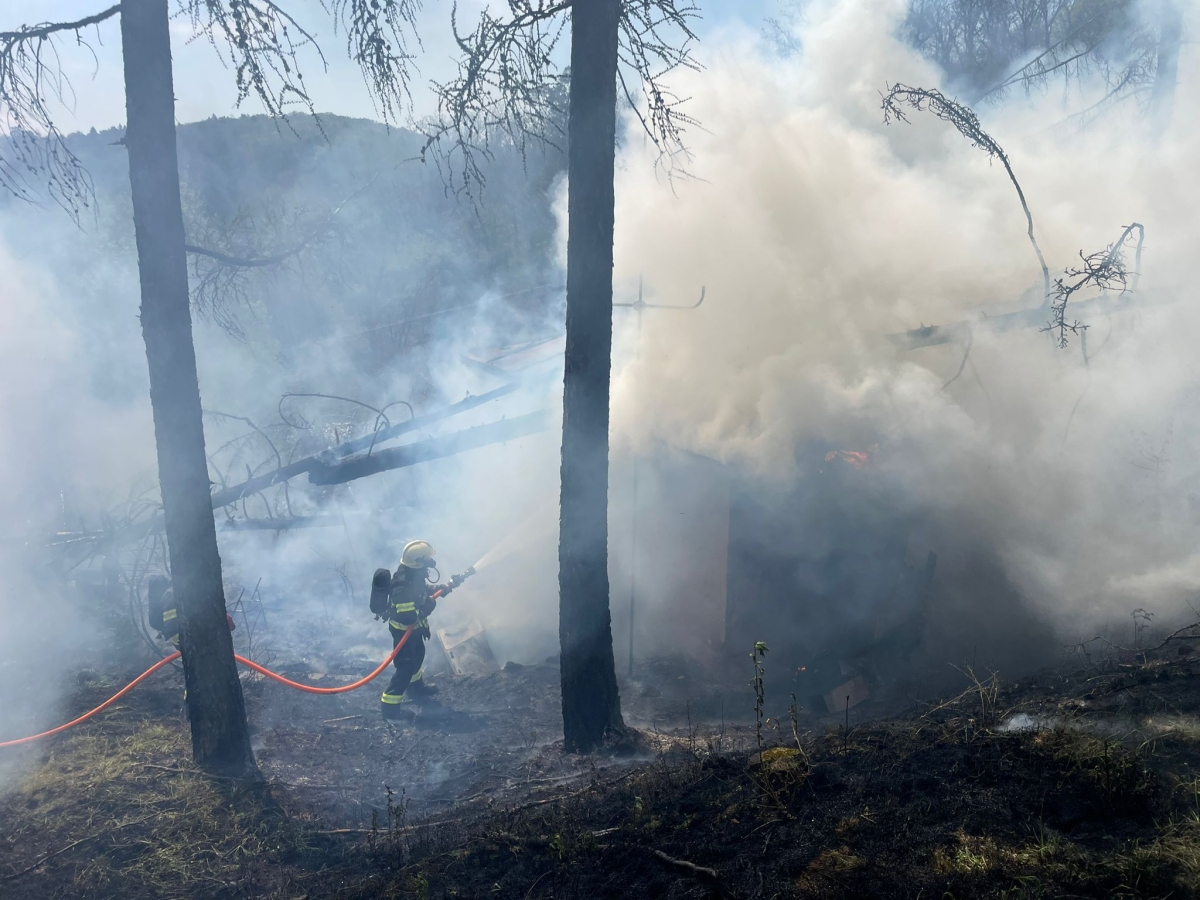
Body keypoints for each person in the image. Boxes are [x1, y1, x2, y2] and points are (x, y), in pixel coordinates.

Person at [371, 540, 458, 719]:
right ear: (419, 561)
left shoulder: (413, 573)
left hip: (414, 630)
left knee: (418, 656)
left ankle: (416, 688)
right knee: (405, 668)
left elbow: (421, 590)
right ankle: (390, 708)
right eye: (428, 558)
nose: (431, 562)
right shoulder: (402, 586)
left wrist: (437, 589)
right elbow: (408, 616)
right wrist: (428, 606)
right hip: (404, 631)